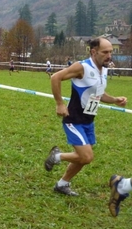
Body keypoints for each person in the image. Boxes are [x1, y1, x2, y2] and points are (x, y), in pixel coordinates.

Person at [44, 38, 127, 196]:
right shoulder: (82, 67)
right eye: (105, 52)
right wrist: (59, 103)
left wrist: (115, 100)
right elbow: (56, 77)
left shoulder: (104, 69)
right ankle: (56, 156)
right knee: (86, 156)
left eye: (110, 52)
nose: (109, 55)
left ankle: (62, 184)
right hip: (73, 120)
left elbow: (99, 94)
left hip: (88, 121)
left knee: (82, 158)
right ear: (93, 52)